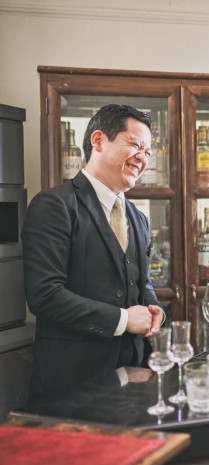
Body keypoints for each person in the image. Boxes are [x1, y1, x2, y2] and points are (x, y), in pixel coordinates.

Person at [22, 104, 165, 399]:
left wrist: (155, 311)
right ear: (98, 141)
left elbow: (142, 284)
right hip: (71, 384)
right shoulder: (54, 206)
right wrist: (123, 320)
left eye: (148, 152)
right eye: (135, 144)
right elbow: (44, 295)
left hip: (135, 379)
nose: (143, 157)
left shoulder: (139, 218)